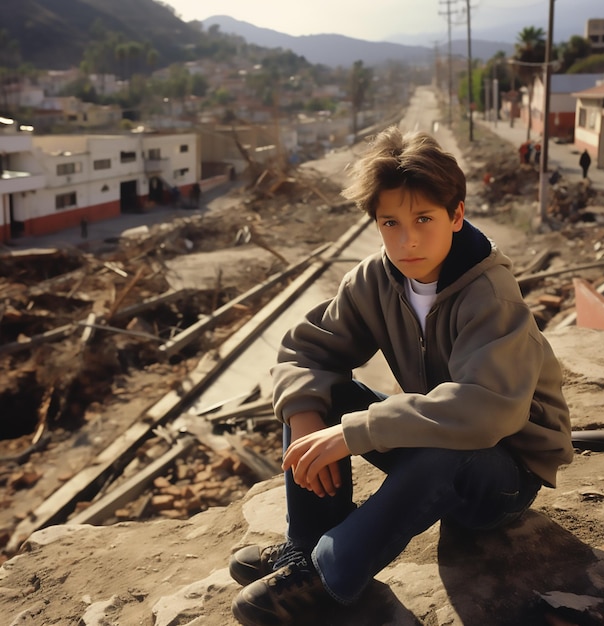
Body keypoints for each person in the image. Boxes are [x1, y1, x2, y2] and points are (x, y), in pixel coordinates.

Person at [228, 127, 573, 626]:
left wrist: (356, 432)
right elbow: (306, 352)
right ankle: (303, 552)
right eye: (390, 223)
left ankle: (331, 578)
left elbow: (486, 409)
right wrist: (307, 421)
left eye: (424, 219)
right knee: (325, 395)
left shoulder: (489, 295)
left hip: (501, 477)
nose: (407, 239)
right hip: (442, 446)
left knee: (444, 446)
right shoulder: (375, 279)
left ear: (457, 215)